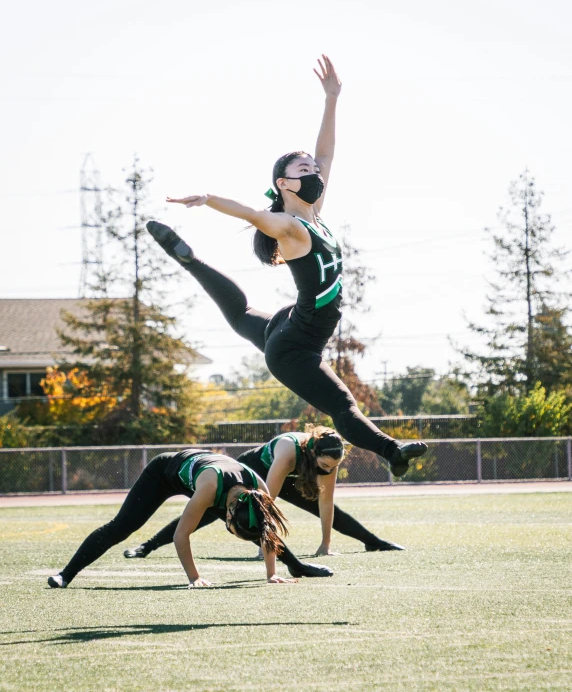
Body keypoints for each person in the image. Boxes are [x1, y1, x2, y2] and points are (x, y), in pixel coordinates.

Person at [147, 55, 427, 477]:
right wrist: (208, 198)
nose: (315, 171)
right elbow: (252, 215)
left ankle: (188, 259)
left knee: (240, 315)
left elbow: (327, 153)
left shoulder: (316, 216)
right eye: (304, 169)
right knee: (342, 405)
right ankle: (392, 451)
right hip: (296, 347)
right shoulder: (291, 228)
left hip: (291, 325)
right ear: (284, 183)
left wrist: (332, 99)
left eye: (313, 169)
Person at [47, 449, 332, 590]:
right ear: (230, 511)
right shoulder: (210, 488)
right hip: (164, 473)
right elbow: (180, 535)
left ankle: (296, 568)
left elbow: (266, 530)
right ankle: (66, 574)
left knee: (259, 524)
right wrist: (194, 578)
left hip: (214, 479)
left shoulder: (259, 492)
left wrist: (271, 574)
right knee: (123, 527)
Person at [125, 427, 403, 560]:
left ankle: (373, 541)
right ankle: (147, 546)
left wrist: (325, 545)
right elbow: (267, 499)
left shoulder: (326, 460)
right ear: (312, 452)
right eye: (325, 466)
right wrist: (264, 547)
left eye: (333, 468)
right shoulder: (287, 450)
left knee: (328, 509)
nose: (328, 471)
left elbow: (327, 503)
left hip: (292, 475)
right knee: (207, 513)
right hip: (254, 471)